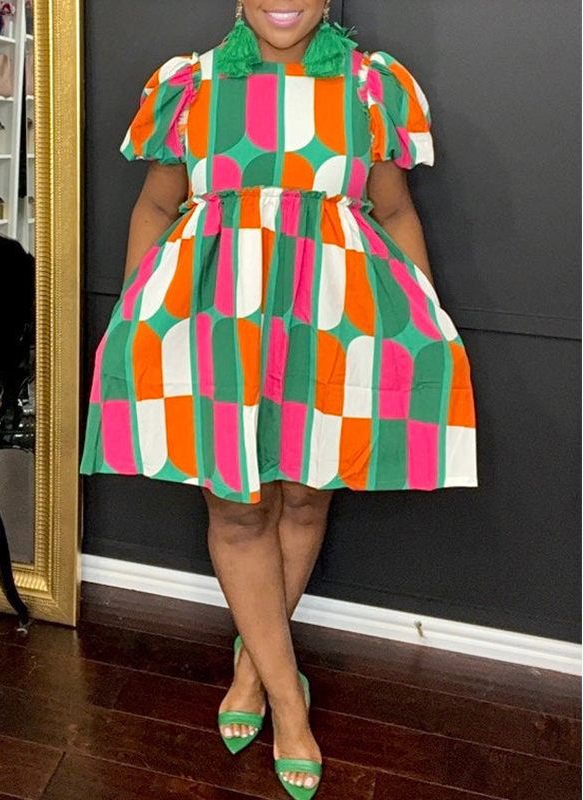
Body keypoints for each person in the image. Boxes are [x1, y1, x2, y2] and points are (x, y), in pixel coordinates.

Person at [79, 1, 479, 796]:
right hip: (213, 327)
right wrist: (135, 321)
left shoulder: (370, 87)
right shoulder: (192, 86)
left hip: (331, 329)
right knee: (238, 510)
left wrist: (424, 327)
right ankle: (288, 701)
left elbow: (396, 211)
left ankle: (254, 669)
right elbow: (155, 207)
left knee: (303, 498)